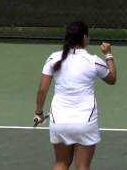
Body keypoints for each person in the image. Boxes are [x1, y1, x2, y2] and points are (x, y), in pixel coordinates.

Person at [34, 21, 116, 170]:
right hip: (85, 122)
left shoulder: (53, 58)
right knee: (83, 166)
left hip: (59, 122)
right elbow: (112, 79)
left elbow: (42, 90)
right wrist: (108, 54)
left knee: (61, 164)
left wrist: (38, 112)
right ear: (85, 37)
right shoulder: (93, 61)